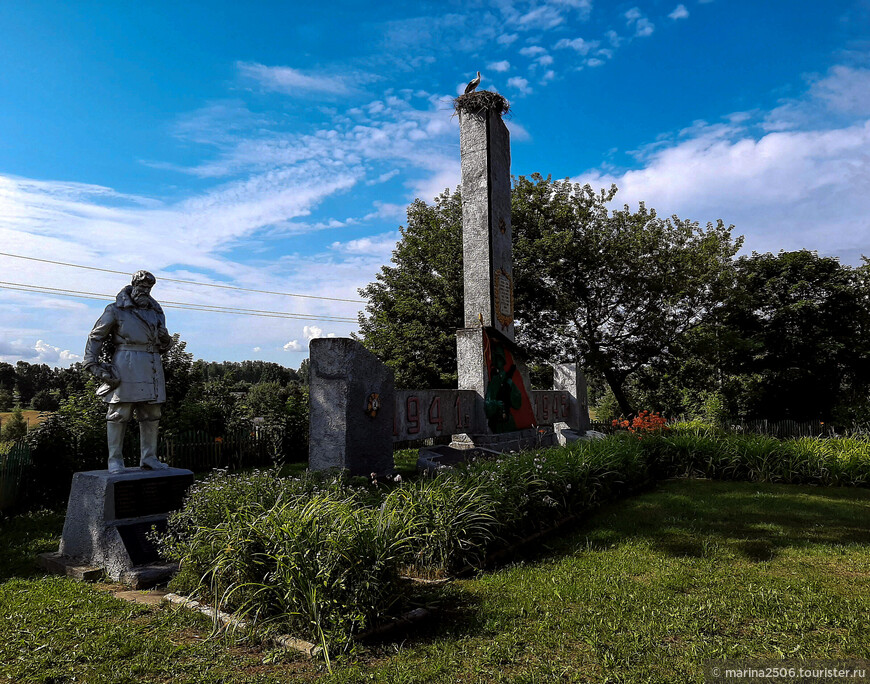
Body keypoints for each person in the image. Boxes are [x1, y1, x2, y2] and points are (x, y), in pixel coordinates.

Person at [83, 270, 174, 473]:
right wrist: (92, 362)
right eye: (142, 287)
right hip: (127, 362)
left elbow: (163, 345)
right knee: (118, 412)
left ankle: (149, 457)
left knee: (152, 413)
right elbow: (96, 336)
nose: (145, 291)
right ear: (133, 286)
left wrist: (166, 338)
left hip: (152, 363)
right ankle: (115, 460)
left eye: (149, 288)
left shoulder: (155, 312)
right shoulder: (116, 310)